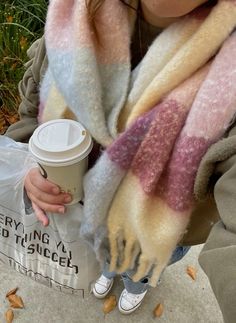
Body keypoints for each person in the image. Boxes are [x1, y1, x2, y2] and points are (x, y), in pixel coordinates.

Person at [5, 0, 236, 321]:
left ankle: (135, 283)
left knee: (139, 267)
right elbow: (34, 99)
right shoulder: (73, 12)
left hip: (155, 230)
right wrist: (32, 159)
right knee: (103, 255)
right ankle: (109, 268)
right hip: (84, 204)